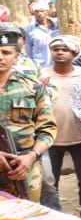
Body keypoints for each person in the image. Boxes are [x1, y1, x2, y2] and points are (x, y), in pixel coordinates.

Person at [0, 24, 55, 201]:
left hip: (24, 167)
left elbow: (47, 129)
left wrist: (31, 157)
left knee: (27, 217)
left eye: (6, 53)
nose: (0, 57)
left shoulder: (33, 87)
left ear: (16, 57)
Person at [42, 35, 81, 214]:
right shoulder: (42, 75)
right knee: (49, 182)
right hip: (50, 139)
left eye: (65, 50)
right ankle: (54, 217)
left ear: (74, 53)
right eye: (56, 49)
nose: (60, 52)